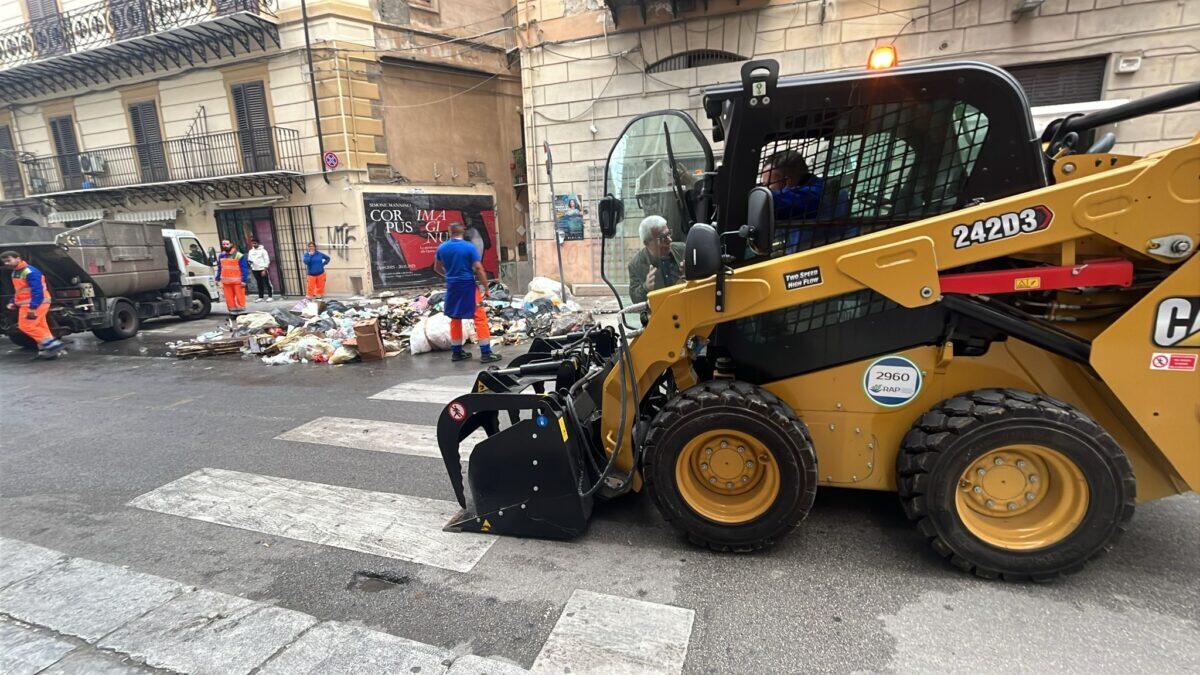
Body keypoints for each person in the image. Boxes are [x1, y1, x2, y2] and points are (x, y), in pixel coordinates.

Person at [434, 221, 500, 363]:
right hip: (468, 287)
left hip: (452, 287)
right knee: (480, 317)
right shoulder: (468, 247)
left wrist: (448, 275)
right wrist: (486, 288)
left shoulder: (442, 247)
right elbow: (478, 268)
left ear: (450, 232)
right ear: (463, 232)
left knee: (455, 318)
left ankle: (457, 353)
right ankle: (486, 353)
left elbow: (437, 268)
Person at [761, 150, 852, 253]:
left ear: (788, 181)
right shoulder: (817, 189)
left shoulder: (814, 196)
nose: (767, 189)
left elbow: (773, 203)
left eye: (768, 184)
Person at [2, 250, 66, 358]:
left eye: (9, 260)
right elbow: (20, 290)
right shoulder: (16, 272)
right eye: (5, 262)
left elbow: (38, 291)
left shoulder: (30, 272)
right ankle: (48, 352)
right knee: (41, 327)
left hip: (35, 303)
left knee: (26, 326)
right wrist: (13, 302)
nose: (6, 264)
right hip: (31, 303)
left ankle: (53, 345)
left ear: (18, 258)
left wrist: (33, 307)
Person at [627, 215, 684, 305]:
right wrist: (646, 287)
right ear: (647, 243)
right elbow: (635, 301)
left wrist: (690, 273)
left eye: (669, 234)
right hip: (660, 314)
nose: (669, 240)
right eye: (662, 238)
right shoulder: (636, 265)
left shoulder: (683, 250)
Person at [216, 240, 250, 315]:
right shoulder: (221, 255)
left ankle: (241, 313)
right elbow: (220, 268)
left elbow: (244, 268)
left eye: (227, 244)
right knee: (229, 299)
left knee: (240, 298)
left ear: (231, 244)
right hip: (226, 282)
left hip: (238, 282)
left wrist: (244, 280)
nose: (225, 245)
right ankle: (232, 313)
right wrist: (217, 278)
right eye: (223, 244)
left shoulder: (239, 255)